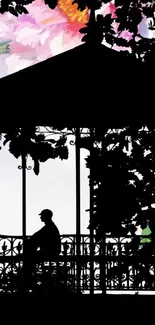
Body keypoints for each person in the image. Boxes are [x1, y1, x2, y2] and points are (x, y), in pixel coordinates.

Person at [23, 209, 61, 283]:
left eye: (42, 216)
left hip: (50, 252)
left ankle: (28, 277)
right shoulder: (50, 225)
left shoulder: (49, 226)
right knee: (30, 256)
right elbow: (38, 234)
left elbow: (38, 235)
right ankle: (28, 275)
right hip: (51, 251)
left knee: (29, 257)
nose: (40, 218)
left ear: (46, 216)